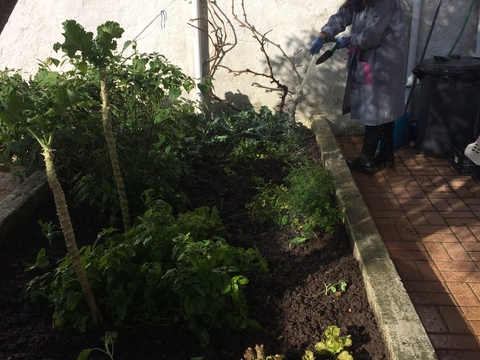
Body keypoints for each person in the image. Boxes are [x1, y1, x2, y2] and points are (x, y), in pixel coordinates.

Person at [310, 0, 407, 175]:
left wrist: (349, 39)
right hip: (372, 62)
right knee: (383, 112)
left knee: (375, 111)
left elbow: (371, 35)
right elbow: (342, 15)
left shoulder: (384, 3)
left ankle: (366, 160)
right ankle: (386, 156)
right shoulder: (359, 2)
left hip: (384, 65)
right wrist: (324, 34)